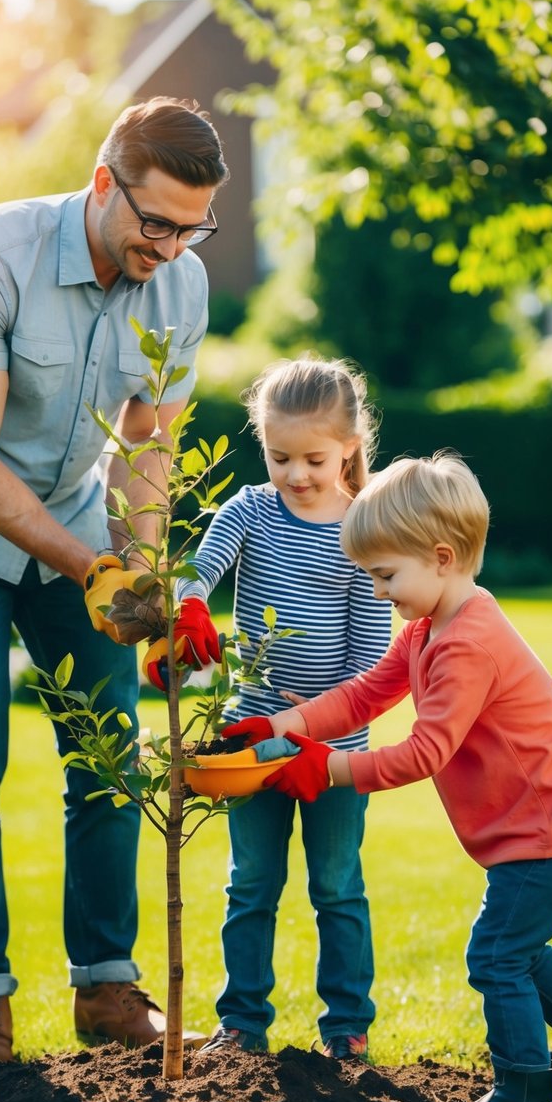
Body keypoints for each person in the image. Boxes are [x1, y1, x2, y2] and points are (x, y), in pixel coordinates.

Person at [0, 96, 228, 1072]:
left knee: (108, 750)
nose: (167, 244)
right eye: (153, 220)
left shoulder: (181, 285)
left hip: (74, 518)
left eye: (189, 225)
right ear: (103, 183)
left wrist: (143, 572)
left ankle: (108, 988)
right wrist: (94, 568)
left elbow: (149, 447)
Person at [227, 451, 552, 1102]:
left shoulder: (467, 644)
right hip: (545, 826)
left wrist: (328, 768)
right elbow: (369, 692)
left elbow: (424, 752)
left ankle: (525, 1093)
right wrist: (285, 724)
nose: (376, 593)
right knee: (516, 945)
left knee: (495, 955)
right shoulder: (431, 626)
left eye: (384, 575)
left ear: (439, 556)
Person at [171, 355, 392, 1059]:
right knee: (251, 884)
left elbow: (371, 659)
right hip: (252, 734)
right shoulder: (251, 508)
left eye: (313, 459)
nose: (295, 474)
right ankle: (241, 1024)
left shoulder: (366, 530)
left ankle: (346, 1026)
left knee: (336, 886)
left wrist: (320, 727)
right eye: (279, 456)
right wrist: (190, 602)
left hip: (335, 750)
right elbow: (201, 567)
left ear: (349, 449)